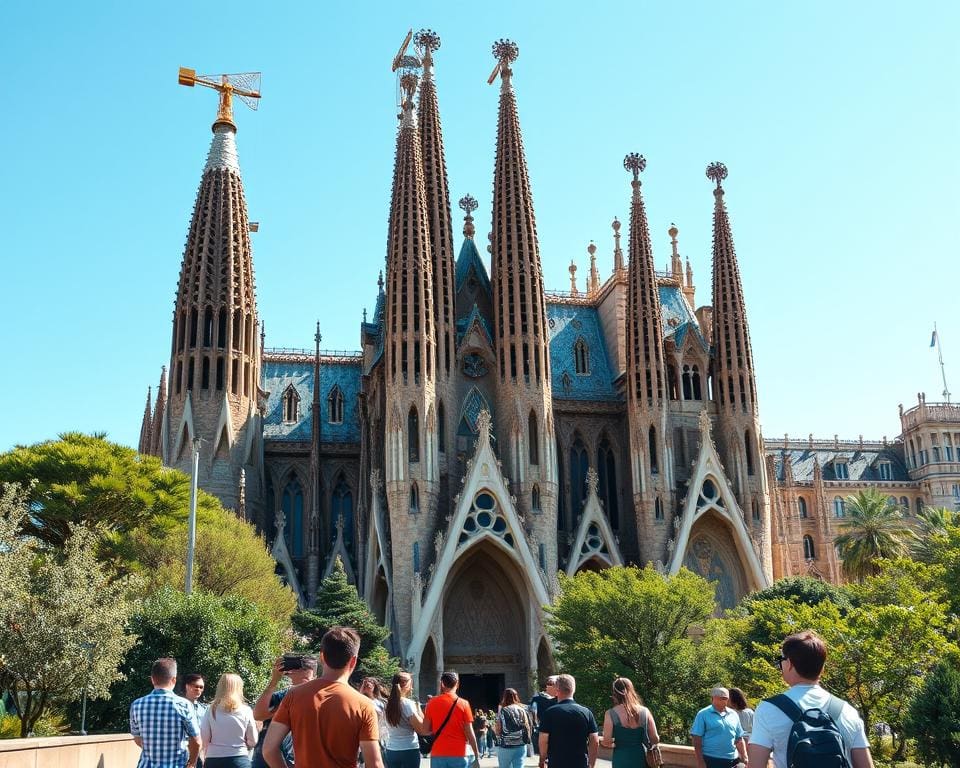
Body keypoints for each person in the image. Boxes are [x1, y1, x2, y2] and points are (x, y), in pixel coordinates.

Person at [748, 630, 874, 768]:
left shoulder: (769, 708)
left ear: (789, 663)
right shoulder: (847, 711)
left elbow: (756, 765)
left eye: (781, 660)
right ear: (823, 668)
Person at [264, 627, 382, 768]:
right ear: (353, 661)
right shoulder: (364, 705)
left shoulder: (293, 696)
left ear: (322, 656)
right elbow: (374, 763)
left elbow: (269, 750)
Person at [130, 657, 202, 768]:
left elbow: (137, 738)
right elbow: (196, 741)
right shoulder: (183, 705)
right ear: (174, 679)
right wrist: (192, 764)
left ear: (152, 679)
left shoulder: (137, 704)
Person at [250, 654, 317, 768]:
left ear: (314, 676)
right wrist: (274, 681)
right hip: (264, 761)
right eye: (296, 667)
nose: (298, 670)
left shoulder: (318, 698)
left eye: (302, 668)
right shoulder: (282, 695)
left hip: (294, 761)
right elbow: (258, 715)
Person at [537, 674, 599, 768]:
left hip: (556, 763)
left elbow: (543, 740)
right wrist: (591, 764)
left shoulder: (550, 712)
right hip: (580, 763)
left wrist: (542, 760)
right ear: (574, 690)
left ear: (557, 690)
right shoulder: (586, 712)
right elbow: (594, 740)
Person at [423, 671, 481, 768]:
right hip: (459, 752)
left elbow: (425, 730)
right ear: (457, 684)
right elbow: (470, 732)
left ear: (442, 684)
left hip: (438, 753)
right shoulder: (464, 704)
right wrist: (476, 754)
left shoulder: (431, 703)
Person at [200, 674, 258, 768]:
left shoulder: (210, 710)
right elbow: (253, 741)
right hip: (239, 759)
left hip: (214, 760)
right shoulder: (246, 710)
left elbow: (204, 739)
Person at [600, 677, 660, 768]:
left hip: (621, 757)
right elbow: (655, 738)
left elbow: (607, 741)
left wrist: (607, 743)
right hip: (640, 757)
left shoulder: (610, 713)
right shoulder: (645, 711)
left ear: (615, 693)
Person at [690, 686, 748, 768]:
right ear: (714, 698)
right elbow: (696, 739)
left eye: (727, 698)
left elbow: (739, 738)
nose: (725, 700)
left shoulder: (733, 714)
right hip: (712, 759)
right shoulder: (703, 714)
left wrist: (745, 756)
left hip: (733, 759)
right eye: (723, 698)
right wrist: (701, 761)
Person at [383, 671, 430, 768]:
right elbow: (421, 730)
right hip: (409, 749)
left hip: (391, 749)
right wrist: (419, 711)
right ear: (407, 684)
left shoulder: (386, 704)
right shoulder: (408, 704)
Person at [493, 688, 531, 768]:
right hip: (521, 744)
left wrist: (496, 734)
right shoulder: (523, 709)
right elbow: (528, 726)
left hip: (506, 745)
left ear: (504, 697)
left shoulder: (504, 710)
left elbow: (498, 729)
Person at [183, 674, 208, 768]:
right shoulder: (178, 706)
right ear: (187, 686)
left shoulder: (205, 709)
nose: (199, 689)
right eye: (196, 686)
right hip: (183, 752)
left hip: (200, 753)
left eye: (201, 687)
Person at [529, 676, 558, 755]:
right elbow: (532, 712)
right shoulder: (537, 698)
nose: (551, 686)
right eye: (550, 684)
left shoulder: (560, 698)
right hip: (543, 727)